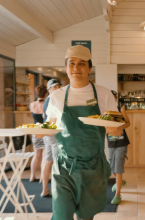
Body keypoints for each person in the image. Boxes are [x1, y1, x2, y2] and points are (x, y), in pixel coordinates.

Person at [43, 45, 122, 220]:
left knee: (86, 217)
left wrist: (114, 127)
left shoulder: (104, 94)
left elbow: (116, 131)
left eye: (82, 63)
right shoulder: (55, 97)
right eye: (72, 63)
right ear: (66, 67)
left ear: (89, 68)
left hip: (93, 167)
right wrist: (40, 132)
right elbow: (49, 128)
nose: (76, 68)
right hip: (65, 167)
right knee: (61, 216)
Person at [107, 90, 130, 205]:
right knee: (111, 166)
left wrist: (120, 127)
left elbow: (128, 123)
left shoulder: (121, 110)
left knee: (118, 166)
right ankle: (119, 181)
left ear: (115, 99)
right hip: (110, 143)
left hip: (122, 143)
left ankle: (118, 194)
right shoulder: (104, 112)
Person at [41, 79, 61, 197]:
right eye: (55, 87)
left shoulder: (47, 100)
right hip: (51, 133)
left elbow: (45, 116)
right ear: (49, 89)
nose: (57, 88)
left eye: (58, 86)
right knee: (55, 162)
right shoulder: (52, 99)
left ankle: (45, 190)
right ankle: (56, 189)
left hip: (47, 133)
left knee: (47, 161)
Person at [30, 85, 47, 182]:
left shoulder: (32, 105)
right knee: (44, 155)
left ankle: (32, 176)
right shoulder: (46, 104)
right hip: (45, 131)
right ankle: (42, 178)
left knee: (36, 155)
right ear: (45, 94)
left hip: (35, 131)